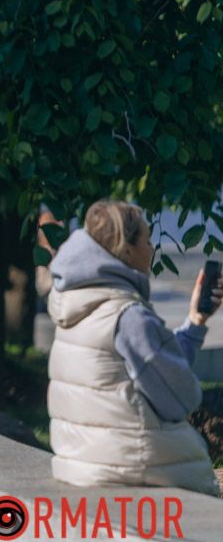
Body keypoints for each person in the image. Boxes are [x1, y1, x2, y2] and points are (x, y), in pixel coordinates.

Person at [47, 200, 219, 496]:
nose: (153, 249)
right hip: (134, 466)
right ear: (127, 249)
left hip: (80, 463)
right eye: (148, 240)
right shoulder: (129, 316)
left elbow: (146, 366)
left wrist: (195, 321)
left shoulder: (74, 302)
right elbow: (183, 398)